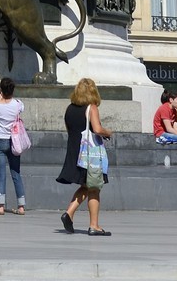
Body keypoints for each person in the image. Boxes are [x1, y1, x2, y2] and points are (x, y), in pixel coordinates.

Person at [57, 75, 113, 235]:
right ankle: (94, 226)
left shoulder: (69, 109)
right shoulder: (92, 108)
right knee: (94, 188)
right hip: (90, 155)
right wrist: (108, 132)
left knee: (86, 185)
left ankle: (69, 213)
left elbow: (70, 130)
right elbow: (96, 129)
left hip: (75, 151)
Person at [0, 77, 27, 215]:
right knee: (16, 173)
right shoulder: (18, 104)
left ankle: (0, 206)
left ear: (0, 90)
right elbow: (21, 108)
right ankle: (21, 206)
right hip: (14, 142)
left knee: (1, 174)